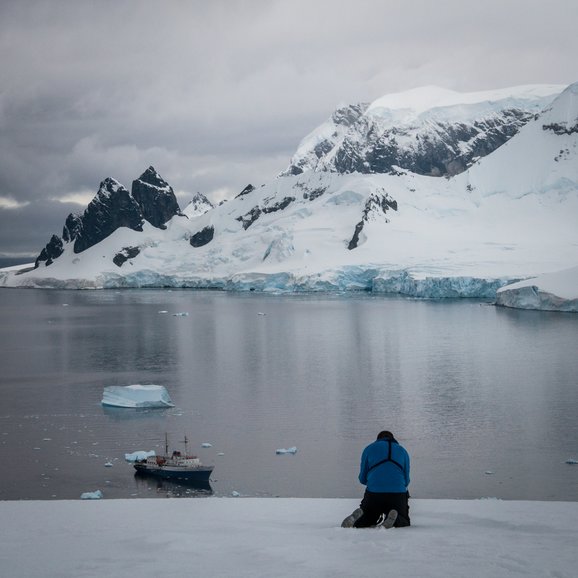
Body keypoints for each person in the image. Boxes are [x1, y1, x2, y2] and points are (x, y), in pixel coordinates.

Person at [341, 430, 411, 528]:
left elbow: (362, 478)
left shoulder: (369, 449)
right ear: (393, 439)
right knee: (404, 520)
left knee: (369, 517)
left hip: (374, 494)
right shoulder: (403, 451)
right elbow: (406, 481)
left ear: (378, 439)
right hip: (397, 494)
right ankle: (395, 520)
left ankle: (359, 518)